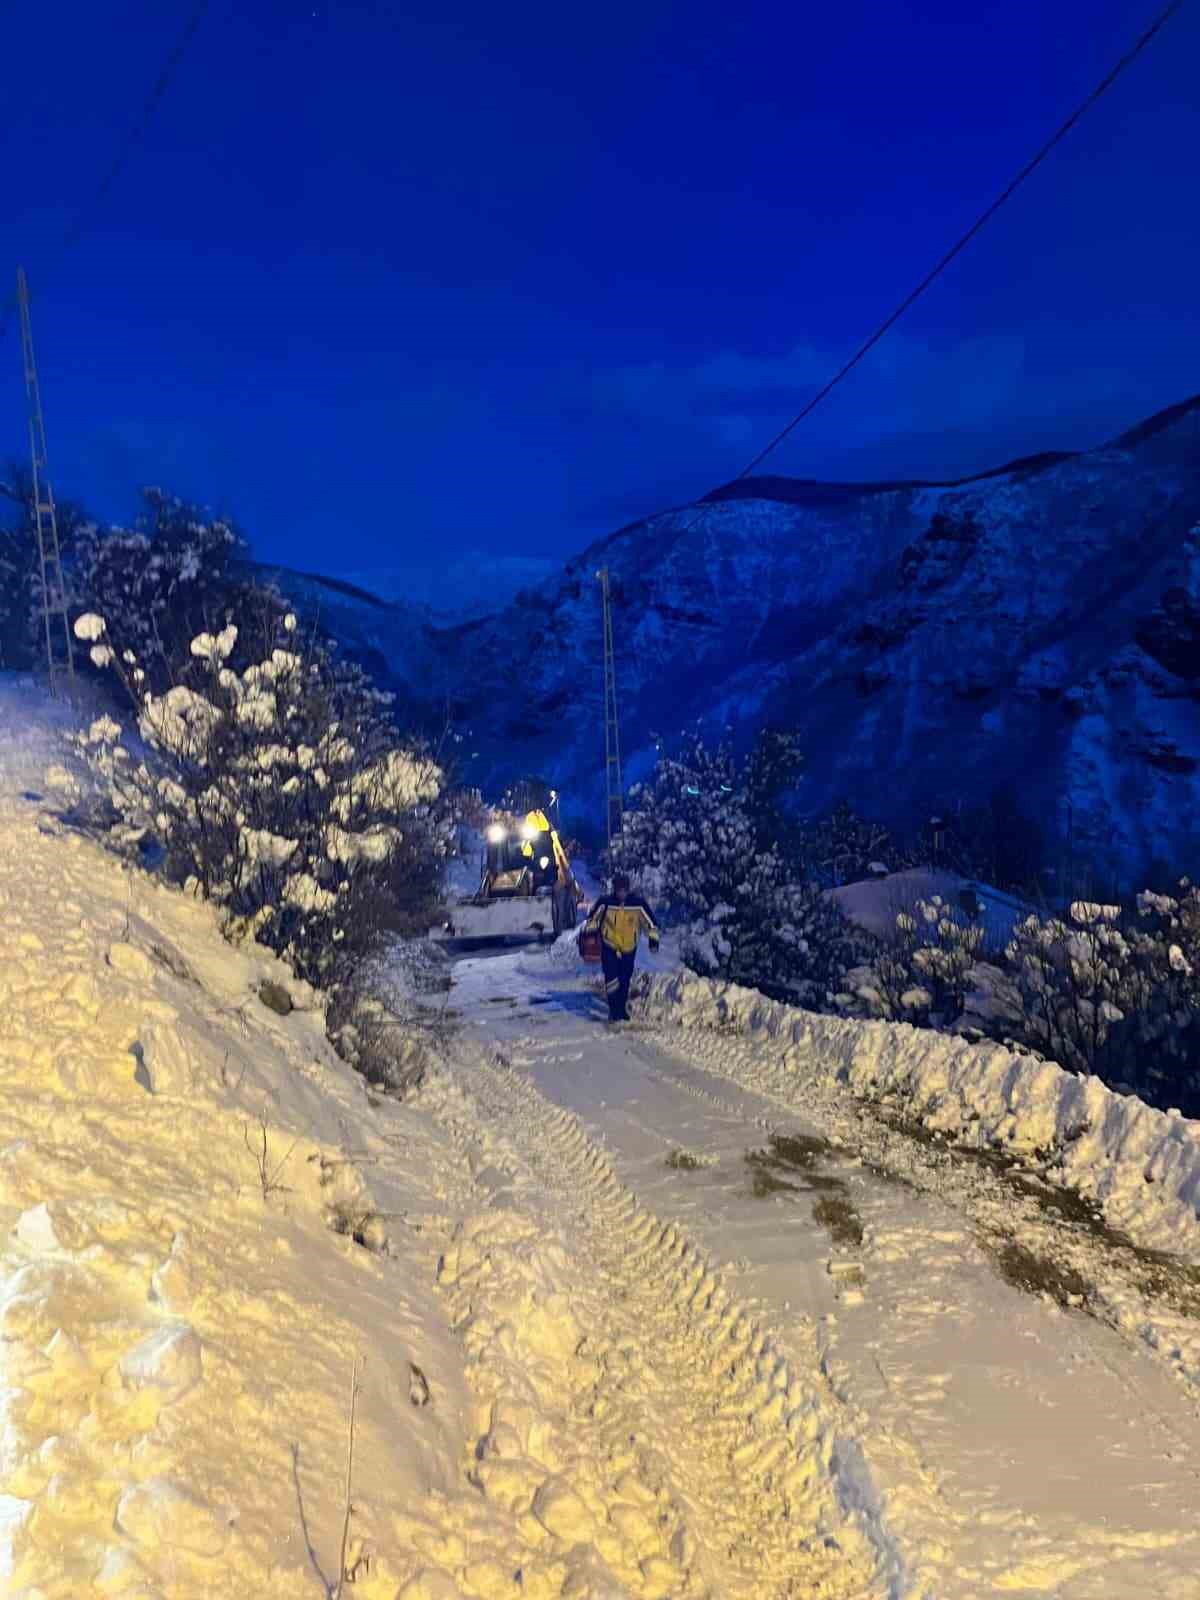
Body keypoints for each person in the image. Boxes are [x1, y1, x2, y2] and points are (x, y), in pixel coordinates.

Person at [584, 873, 660, 1023]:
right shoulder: (605, 903)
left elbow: (650, 924)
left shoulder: (638, 904)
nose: (621, 894)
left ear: (628, 889)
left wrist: (653, 940)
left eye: (624, 890)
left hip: (629, 947)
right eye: (619, 890)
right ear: (615, 889)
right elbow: (593, 919)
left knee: (624, 979)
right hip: (609, 945)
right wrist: (591, 933)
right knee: (612, 979)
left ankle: (621, 1008)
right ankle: (614, 1010)